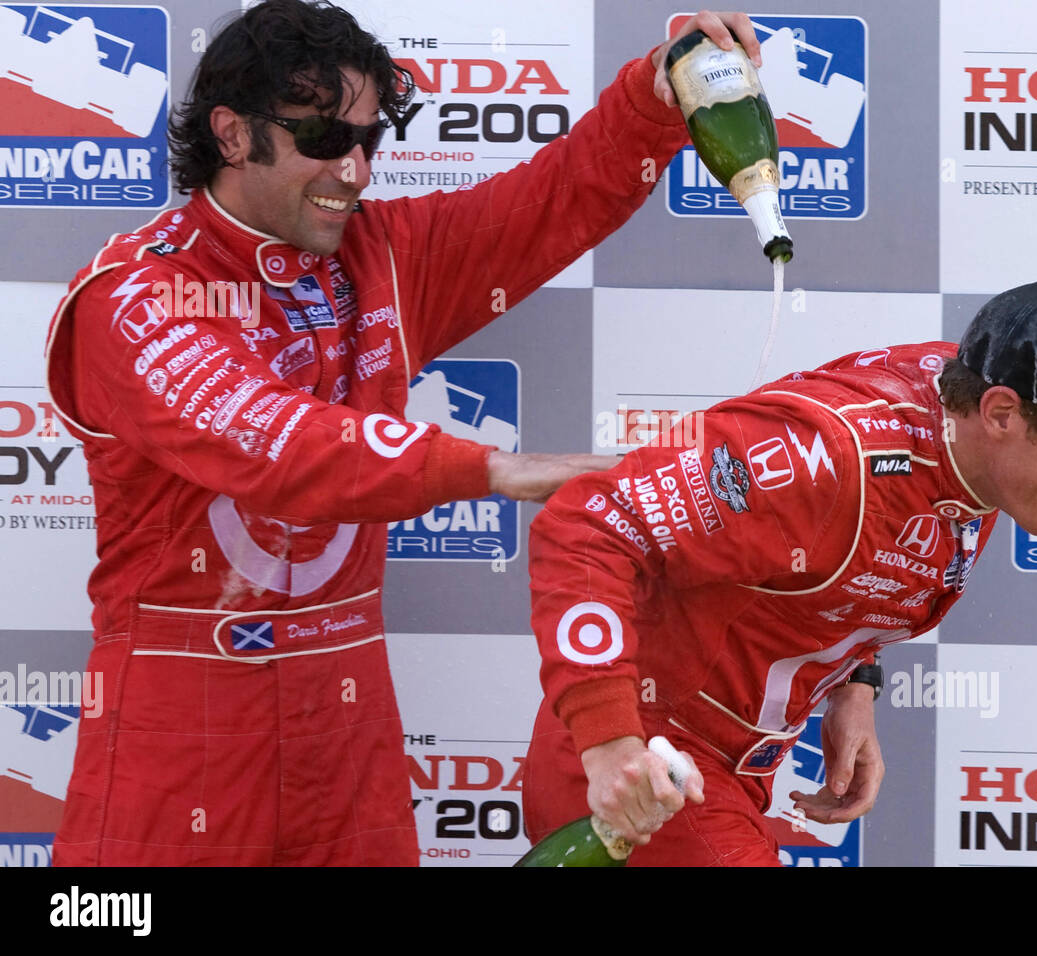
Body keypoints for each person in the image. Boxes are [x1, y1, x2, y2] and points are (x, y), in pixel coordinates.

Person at [43, 0, 760, 866]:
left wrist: (654, 93)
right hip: (178, 723)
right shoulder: (137, 291)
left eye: (368, 141)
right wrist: (501, 469)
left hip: (347, 725)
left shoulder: (378, 254)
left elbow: (550, 202)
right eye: (320, 139)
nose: (352, 171)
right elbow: (275, 443)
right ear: (231, 135)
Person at [522, 279, 1037, 866]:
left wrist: (856, 684)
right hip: (648, 770)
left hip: (715, 771)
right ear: (1000, 414)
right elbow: (590, 525)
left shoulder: (972, 434)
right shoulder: (826, 461)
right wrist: (610, 746)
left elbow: (857, 560)